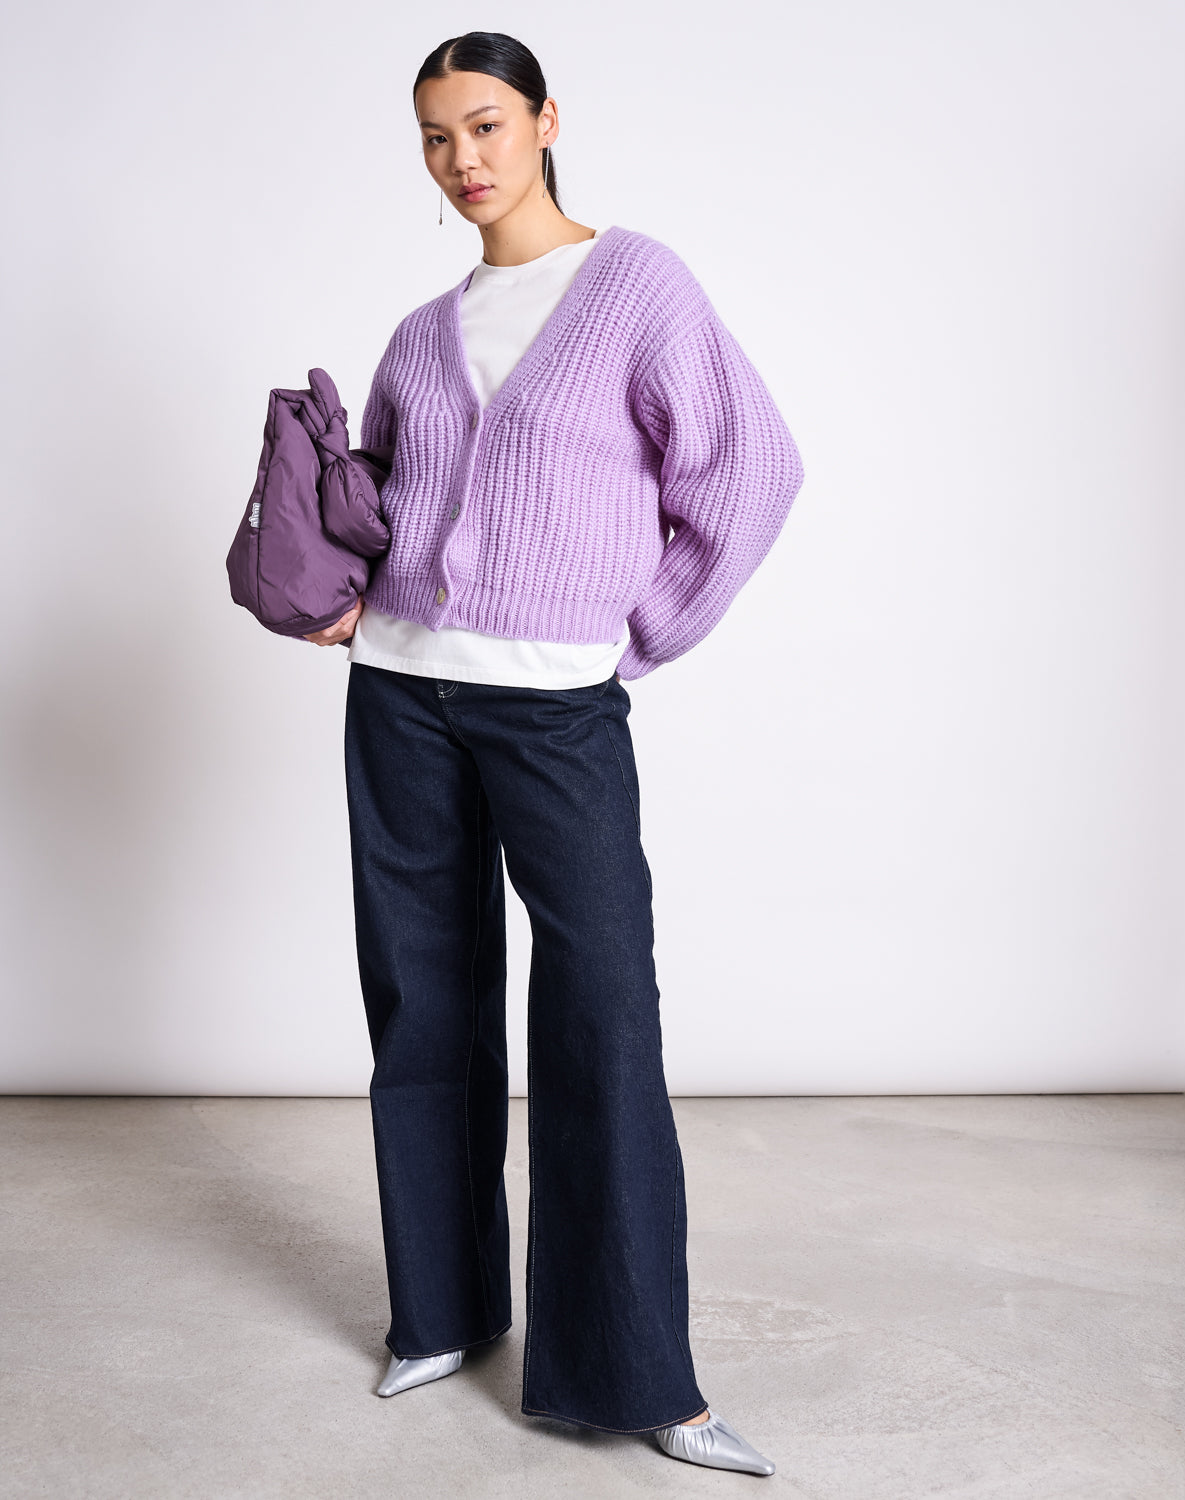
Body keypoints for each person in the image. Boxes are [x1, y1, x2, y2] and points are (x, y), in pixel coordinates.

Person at [303, 30, 803, 1479]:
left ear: (545, 122)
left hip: (552, 707)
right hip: (401, 695)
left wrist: (633, 634)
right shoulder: (421, 333)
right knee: (424, 1002)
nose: (462, 158)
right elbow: (388, 498)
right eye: (435, 136)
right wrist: (342, 584)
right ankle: (441, 1311)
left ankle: (641, 1376)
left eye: (486, 124)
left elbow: (752, 470)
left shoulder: (638, 286)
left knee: (601, 1015)